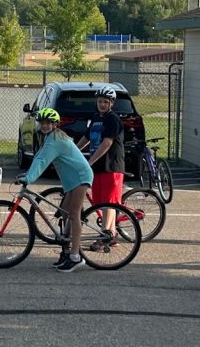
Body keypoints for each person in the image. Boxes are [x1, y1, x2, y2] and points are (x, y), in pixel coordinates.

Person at [20, 108, 93, 272]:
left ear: (55, 124)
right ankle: (66, 251)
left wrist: (29, 179)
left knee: (74, 215)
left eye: (48, 123)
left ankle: (76, 257)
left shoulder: (55, 140)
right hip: (71, 179)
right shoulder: (51, 137)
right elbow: (39, 156)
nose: (45, 126)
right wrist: (28, 173)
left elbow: (43, 160)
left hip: (80, 177)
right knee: (65, 213)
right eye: (42, 123)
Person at [75, 86, 125, 251]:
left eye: (105, 102)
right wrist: (73, 152)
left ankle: (105, 237)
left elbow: (107, 143)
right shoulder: (96, 117)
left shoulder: (113, 119)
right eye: (100, 101)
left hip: (111, 166)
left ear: (111, 103)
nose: (102, 104)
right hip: (98, 167)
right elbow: (87, 137)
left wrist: (90, 160)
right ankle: (112, 235)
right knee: (101, 202)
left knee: (108, 203)